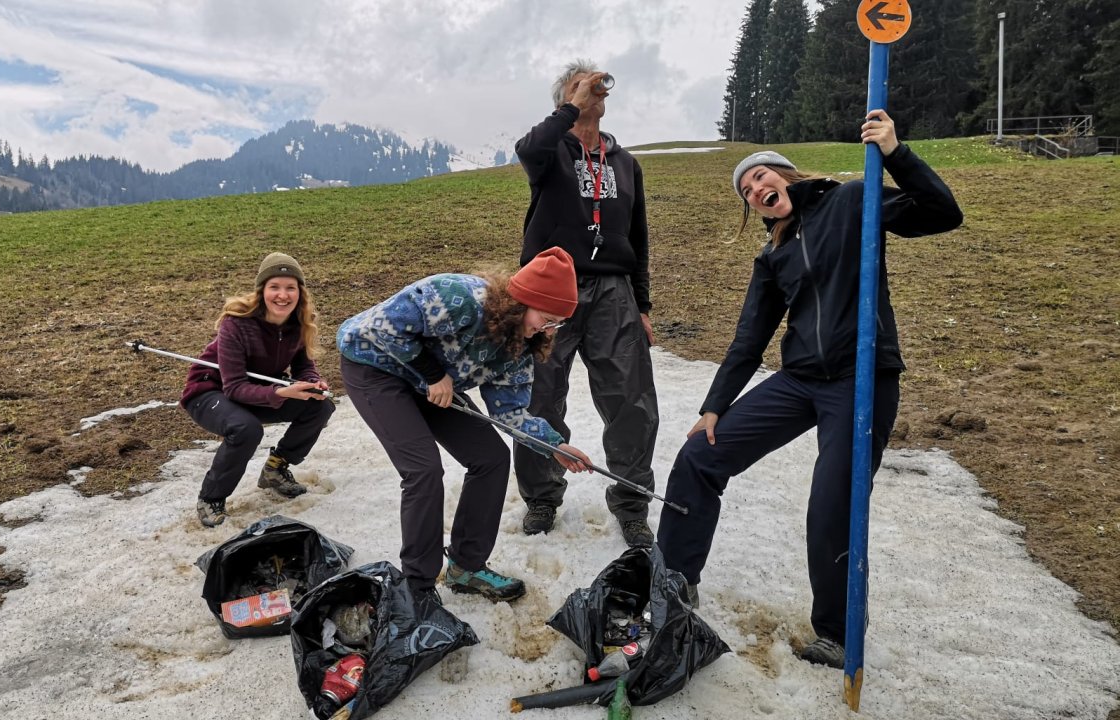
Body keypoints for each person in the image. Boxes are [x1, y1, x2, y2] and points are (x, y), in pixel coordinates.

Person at [656, 110, 963, 667]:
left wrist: (896, 152)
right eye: (746, 191)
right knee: (699, 457)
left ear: (786, 175)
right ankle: (673, 581)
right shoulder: (774, 255)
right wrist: (714, 407)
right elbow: (749, 338)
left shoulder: (852, 201)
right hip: (797, 381)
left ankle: (838, 632)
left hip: (861, 378)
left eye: (760, 178)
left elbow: (943, 214)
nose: (755, 190)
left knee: (833, 507)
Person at [337, 248, 593, 602]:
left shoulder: (519, 347)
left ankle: (466, 567)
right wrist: (433, 374)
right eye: (546, 318)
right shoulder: (459, 298)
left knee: (491, 457)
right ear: (524, 300)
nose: (547, 329)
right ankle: (418, 587)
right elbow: (378, 328)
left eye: (555, 324)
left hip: (433, 385)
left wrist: (555, 446)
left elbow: (511, 413)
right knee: (423, 470)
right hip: (375, 368)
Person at [512, 59, 659, 548]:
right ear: (564, 97)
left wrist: (642, 306)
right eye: (581, 87)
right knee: (541, 395)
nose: (595, 92)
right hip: (553, 287)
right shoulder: (549, 150)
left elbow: (637, 237)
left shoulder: (625, 162)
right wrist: (569, 107)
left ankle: (632, 503)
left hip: (613, 290)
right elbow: (527, 147)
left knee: (631, 399)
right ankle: (541, 497)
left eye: (597, 87)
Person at [181, 252, 336, 528]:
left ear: (300, 292)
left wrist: (313, 383)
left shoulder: (299, 322)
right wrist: (279, 393)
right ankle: (211, 497)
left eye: (290, 288)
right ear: (262, 290)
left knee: (320, 405)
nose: (282, 295)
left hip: (260, 390)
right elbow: (235, 387)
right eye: (274, 287)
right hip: (209, 392)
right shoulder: (236, 323)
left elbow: (304, 367)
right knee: (246, 429)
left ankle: (275, 468)